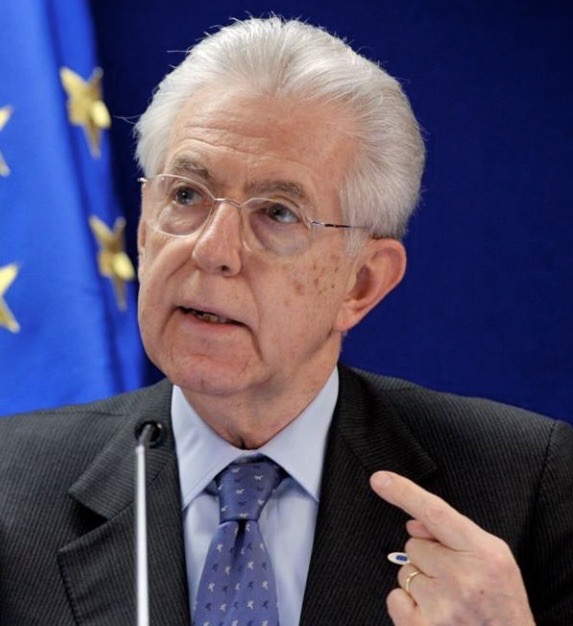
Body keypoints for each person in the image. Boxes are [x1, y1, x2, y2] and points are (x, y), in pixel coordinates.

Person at [0, 16, 572, 626]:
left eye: (277, 212)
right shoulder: (10, 486)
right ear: (143, 229)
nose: (212, 250)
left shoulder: (527, 489)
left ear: (362, 282)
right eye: (186, 195)